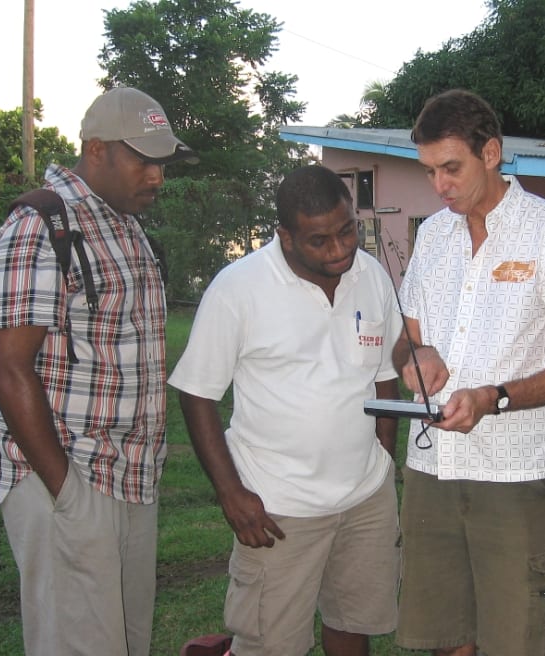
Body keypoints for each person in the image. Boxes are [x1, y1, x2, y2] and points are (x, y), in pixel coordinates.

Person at [0, 86, 197, 656]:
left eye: (162, 162)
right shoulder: (40, 227)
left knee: (124, 642)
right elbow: (9, 369)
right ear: (96, 150)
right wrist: (67, 493)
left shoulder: (123, 224)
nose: (157, 177)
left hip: (129, 476)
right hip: (70, 474)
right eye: (144, 160)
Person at [393, 89, 545, 656]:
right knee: (444, 632)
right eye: (430, 171)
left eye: (451, 168)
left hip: (514, 469)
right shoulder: (433, 235)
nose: (440, 186)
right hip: (432, 464)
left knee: (513, 634)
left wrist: (494, 397)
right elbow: (405, 341)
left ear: (491, 153)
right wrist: (419, 356)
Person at [168, 165, 403, 656]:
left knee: (353, 625)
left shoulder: (372, 275)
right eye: (320, 241)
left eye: (347, 231)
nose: (339, 250)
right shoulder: (240, 288)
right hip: (279, 507)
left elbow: (385, 373)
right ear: (286, 237)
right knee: (271, 644)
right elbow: (196, 393)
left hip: (364, 499)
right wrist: (231, 492)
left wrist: (383, 458)